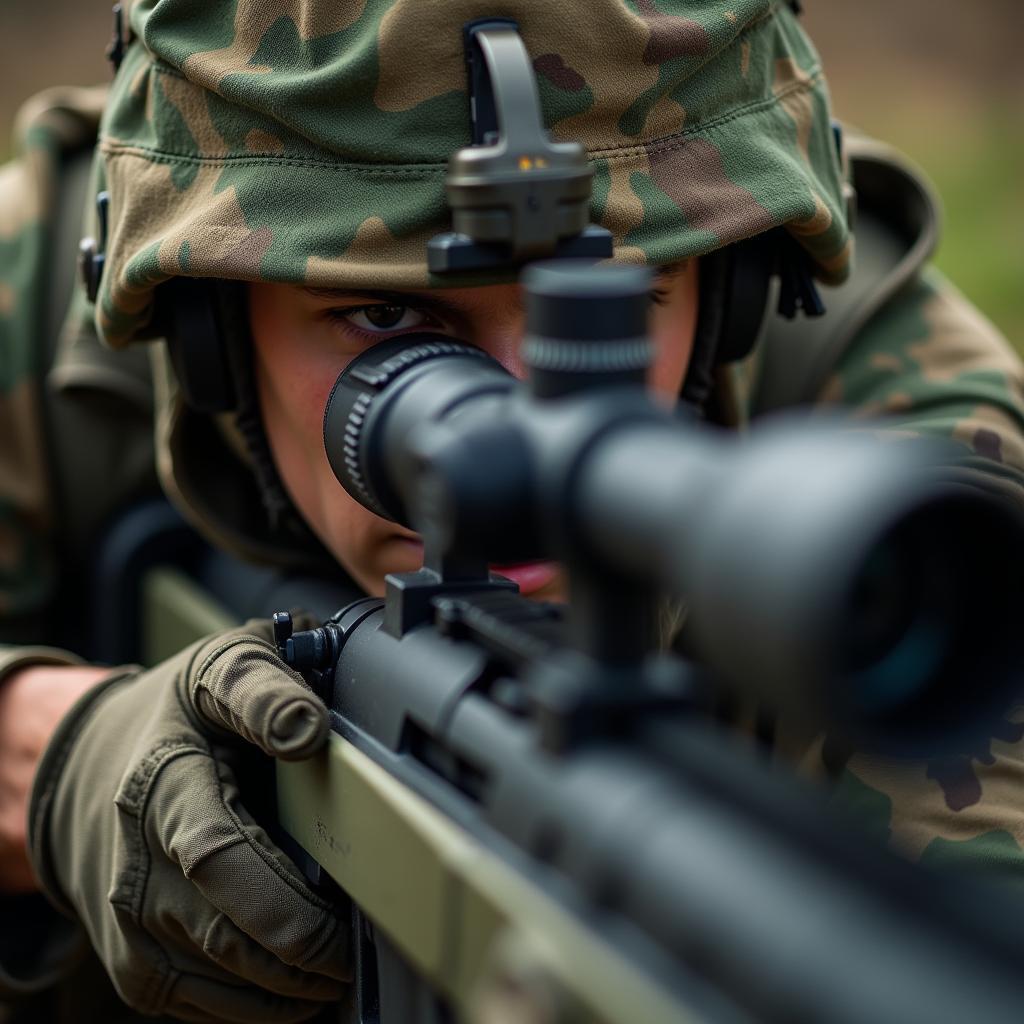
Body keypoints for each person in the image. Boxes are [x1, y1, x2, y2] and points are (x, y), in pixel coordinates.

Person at [2, 1, 1023, 1020]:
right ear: (206, 321)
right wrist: (60, 764)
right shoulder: (28, 291)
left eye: (609, 307)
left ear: (735, 288)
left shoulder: (909, 471)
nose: (522, 428)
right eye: (387, 316)